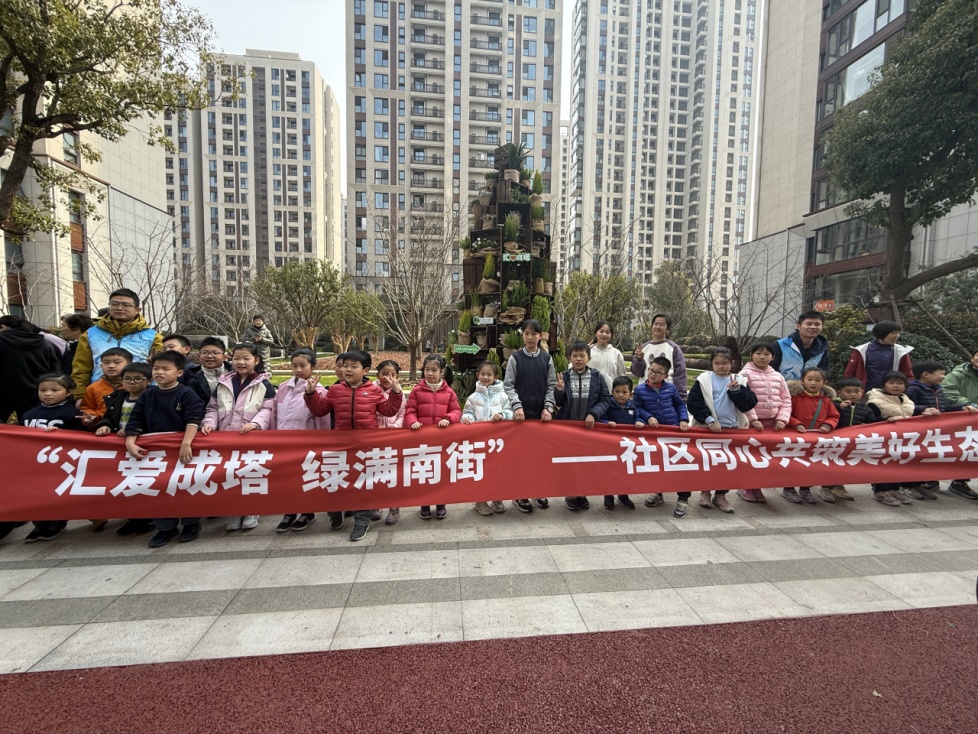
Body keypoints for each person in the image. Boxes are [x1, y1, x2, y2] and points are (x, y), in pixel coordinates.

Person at [304, 349, 404, 541]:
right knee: (336, 482)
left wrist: (396, 392)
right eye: (345, 366)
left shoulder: (374, 391)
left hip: (365, 447)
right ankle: (335, 514)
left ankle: (361, 522)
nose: (347, 370)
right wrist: (310, 394)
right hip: (340, 446)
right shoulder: (335, 390)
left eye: (353, 366)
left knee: (363, 485)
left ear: (365, 370)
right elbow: (320, 410)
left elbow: (389, 411)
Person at [125, 350, 205, 548]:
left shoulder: (186, 393)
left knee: (185, 487)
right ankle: (165, 528)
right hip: (155, 453)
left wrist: (186, 443)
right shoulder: (148, 394)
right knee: (158, 488)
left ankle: (191, 524)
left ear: (179, 372)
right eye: (156, 368)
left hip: (182, 450)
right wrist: (130, 442)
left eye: (165, 369)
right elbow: (136, 419)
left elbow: (193, 419)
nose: (159, 372)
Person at [200, 342, 276, 531]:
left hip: (252, 438)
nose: (241, 362)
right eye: (236, 358)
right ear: (230, 359)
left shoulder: (264, 385)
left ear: (256, 360)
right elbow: (213, 408)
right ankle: (235, 510)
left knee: (251, 473)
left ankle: (252, 510)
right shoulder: (222, 384)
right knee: (231, 475)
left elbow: (268, 409)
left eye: (246, 358)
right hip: (226, 438)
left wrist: (255, 424)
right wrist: (209, 424)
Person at [687, 347, 758, 513]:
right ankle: (705, 492)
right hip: (708, 430)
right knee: (707, 463)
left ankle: (721, 495)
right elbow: (694, 403)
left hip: (732, 431)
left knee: (727, 466)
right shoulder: (704, 380)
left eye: (724, 363)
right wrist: (709, 419)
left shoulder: (740, 380)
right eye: (717, 363)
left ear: (732, 363)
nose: (720, 366)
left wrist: (736, 391)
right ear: (711, 363)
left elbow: (748, 404)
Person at [18, 374, 85, 542]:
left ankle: (57, 522)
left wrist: (62, 434)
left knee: (57, 492)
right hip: (34, 463)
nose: (48, 394)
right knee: (36, 493)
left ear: (68, 392)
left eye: (54, 390)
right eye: (43, 390)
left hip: (60, 463)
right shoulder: (29, 414)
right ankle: (39, 523)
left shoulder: (73, 413)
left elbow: (83, 437)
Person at [93, 362, 155, 536]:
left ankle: (145, 519)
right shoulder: (116, 397)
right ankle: (132, 518)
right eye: (127, 379)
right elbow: (108, 416)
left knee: (144, 484)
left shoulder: (153, 397)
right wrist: (103, 425)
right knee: (125, 485)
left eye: (138, 379)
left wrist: (134, 431)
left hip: (144, 447)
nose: (132, 383)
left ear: (149, 380)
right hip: (120, 448)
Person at [272, 348, 329, 533]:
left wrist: (321, 445)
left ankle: (307, 512)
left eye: (303, 366)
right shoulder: (282, 388)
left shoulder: (319, 391)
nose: (298, 370)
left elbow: (322, 420)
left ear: (313, 366)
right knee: (287, 480)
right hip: (284, 443)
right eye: (294, 365)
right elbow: (275, 415)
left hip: (307, 444)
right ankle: (289, 512)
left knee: (306, 478)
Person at [904, 361, 978, 501]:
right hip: (919, 431)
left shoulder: (938, 389)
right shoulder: (913, 389)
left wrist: (961, 408)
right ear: (926, 374)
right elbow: (907, 407)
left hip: (935, 432)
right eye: (941, 374)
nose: (944, 377)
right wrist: (923, 409)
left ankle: (920, 484)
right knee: (916, 457)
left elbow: (942, 410)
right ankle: (908, 485)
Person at [503, 319, 557, 513]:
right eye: (526, 333)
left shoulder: (546, 359)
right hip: (520, 418)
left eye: (534, 334)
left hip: (542, 418)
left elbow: (551, 386)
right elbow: (508, 385)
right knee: (521, 458)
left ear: (540, 336)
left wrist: (548, 407)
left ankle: (538, 490)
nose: (530, 337)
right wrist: (517, 406)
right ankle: (520, 495)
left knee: (540, 457)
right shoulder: (515, 358)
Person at [70, 288, 164, 400]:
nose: (119, 308)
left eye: (126, 305)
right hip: (100, 394)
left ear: (137, 310)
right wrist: (80, 396)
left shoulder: (153, 336)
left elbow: (165, 368)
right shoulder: (91, 334)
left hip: (140, 395)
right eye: (114, 304)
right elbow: (81, 367)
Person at [554, 342, 612, 511]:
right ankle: (571, 494)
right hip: (568, 429)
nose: (578, 359)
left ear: (589, 358)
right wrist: (559, 391)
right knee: (570, 463)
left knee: (585, 463)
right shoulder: (564, 377)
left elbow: (605, 399)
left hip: (588, 430)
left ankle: (583, 493)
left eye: (582, 356)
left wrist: (593, 414)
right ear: (569, 358)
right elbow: (558, 403)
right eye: (575, 356)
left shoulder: (597, 377)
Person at [405, 354, 462, 520]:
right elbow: (409, 411)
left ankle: (441, 503)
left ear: (442, 371)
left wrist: (448, 418)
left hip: (442, 441)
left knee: (440, 472)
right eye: (427, 369)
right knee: (424, 471)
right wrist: (412, 422)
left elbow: (456, 411)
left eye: (434, 370)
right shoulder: (417, 391)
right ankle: (424, 503)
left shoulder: (449, 392)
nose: (429, 373)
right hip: (422, 442)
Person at [633, 356, 690, 514]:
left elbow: (680, 405)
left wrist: (683, 419)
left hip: (674, 433)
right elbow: (637, 408)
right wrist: (648, 417)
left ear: (666, 375)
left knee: (681, 466)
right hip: (654, 435)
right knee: (657, 465)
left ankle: (683, 499)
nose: (653, 374)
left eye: (658, 372)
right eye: (651, 370)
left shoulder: (670, 388)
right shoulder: (640, 390)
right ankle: (657, 493)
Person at [739, 343, 791, 503]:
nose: (762, 357)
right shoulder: (744, 374)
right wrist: (753, 419)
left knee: (766, 458)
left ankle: (758, 487)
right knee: (752, 457)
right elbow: (742, 398)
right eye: (758, 353)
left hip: (772, 425)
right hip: (752, 424)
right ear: (751, 355)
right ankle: (747, 487)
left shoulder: (778, 376)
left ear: (772, 357)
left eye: (767, 354)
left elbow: (786, 399)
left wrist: (782, 418)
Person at [780, 369, 840, 505]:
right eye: (809, 379)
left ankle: (805, 489)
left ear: (824, 383)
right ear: (802, 381)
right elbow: (787, 414)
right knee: (793, 464)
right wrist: (796, 424)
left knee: (811, 464)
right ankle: (788, 489)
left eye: (818, 380)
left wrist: (827, 425)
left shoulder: (826, 400)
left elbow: (834, 416)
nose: (813, 383)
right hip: (796, 438)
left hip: (816, 439)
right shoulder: (795, 398)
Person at [462, 360, 514, 516]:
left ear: (495, 376)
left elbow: (510, 411)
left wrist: (502, 415)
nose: (485, 377)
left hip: (498, 443)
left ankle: (497, 498)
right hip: (479, 442)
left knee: (497, 471)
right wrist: (468, 419)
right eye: (483, 374)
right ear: (477, 375)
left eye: (489, 374)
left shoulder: (503, 396)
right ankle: (480, 501)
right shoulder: (473, 397)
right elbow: (467, 412)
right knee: (481, 472)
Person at [601, 375, 652, 511]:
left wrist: (639, 422)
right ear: (612, 392)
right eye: (617, 391)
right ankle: (608, 495)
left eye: (624, 392)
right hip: (611, 445)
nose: (620, 395)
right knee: (610, 471)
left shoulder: (633, 407)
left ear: (630, 394)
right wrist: (607, 423)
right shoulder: (607, 406)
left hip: (627, 447)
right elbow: (601, 419)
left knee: (625, 471)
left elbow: (638, 418)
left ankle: (623, 495)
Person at [826, 378, 882, 503]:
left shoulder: (865, 409)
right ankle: (825, 488)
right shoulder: (833, 404)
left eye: (857, 391)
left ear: (862, 392)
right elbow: (827, 416)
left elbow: (873, 424)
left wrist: (866, 427)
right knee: (831, 465)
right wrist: (839, 408)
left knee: (845, 466)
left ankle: (839, 486)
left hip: (853, 444)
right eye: (848, 391)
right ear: (839, 392)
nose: (853, 394)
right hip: (835, 442)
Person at [866, 371, 916, 506]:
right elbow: (871, 420)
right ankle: (880, 491)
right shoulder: (874, 402)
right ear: (884, 385)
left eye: (900, 383)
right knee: (883, 464)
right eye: (891, 383)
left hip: (902, 439)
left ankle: (894, 489)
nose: (896, 386)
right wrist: (887, 420)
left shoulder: (907, 401)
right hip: (883, 439)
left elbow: (915, 413)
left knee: (898, 463)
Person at [0, 315, 62, 423]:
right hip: (34, 395)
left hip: (2, 395)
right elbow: (54, 372)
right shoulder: (45, 344)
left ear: (2, 327)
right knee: (30, 429)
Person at [940, 347, 978, 499]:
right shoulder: (958, 374)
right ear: (972, 358)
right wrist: (969, 404)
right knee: (954, 449)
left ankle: (960, 481)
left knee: (972, 451)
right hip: (961, 418)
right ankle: (929, 479)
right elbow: (947, 391)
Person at [375, 359, 407, 524]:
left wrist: (395, 427)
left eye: (393, 374)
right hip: (375, 439)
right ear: (377, 375)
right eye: (384, 374)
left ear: (397, 376)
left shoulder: (399, 392)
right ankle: (376, 504)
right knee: (375, 472)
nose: (388, 377)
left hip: (393, 438)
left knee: (393, 474)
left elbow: (402, 413)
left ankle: (394, 507)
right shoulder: (371, 390)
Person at [630, 313, 688, 398]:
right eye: (655, 324)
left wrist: (681, 395)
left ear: (668, 328)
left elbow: (680, 373)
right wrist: (638, 359)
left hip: (666, 395)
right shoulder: (643, 348)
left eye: (661, 325)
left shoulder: (673, 348)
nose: (657, 327)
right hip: (645, 396)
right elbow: (637, 373)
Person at [843, 321, 913, 391]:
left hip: (891, 393)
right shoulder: (862, 350)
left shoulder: (901, 351)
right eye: (893, 333)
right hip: (866, 392)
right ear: (882, 333)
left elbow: (908, 374)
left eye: (898, 333)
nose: (897, 336)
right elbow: (849, 374)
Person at [79, 347, 133, 424]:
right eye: (106, 362)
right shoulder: (93, 388)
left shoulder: (134, 386)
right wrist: (91, 416)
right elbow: (87, 408)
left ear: (129, 365)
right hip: (101, 426)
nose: (111, 366)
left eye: (117, 362)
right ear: (101, 366)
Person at [771, 310, 829, 381]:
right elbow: (771, 370)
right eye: (809, 324)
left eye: (817, 324)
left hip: (810, 387)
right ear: (798, 326)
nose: (813, 327)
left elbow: (822, 373)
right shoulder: (781, 345)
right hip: (782, 386)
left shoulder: (822, 348)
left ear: (822, 326)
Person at [180, 337, 232, 404]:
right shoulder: (191, 375)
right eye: (205, 353)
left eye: (215, 353)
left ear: (224, 357)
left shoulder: (234, 372)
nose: (209, 356)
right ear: (199, 357)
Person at [588, 321, 626, 391]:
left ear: (611, 335)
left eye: (607, 332)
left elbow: (621, 376)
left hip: (610, 392)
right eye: (601, 331)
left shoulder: (616, 353)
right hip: (590, 392)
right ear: (595, 333)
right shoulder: (588, 352)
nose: (604, 334)